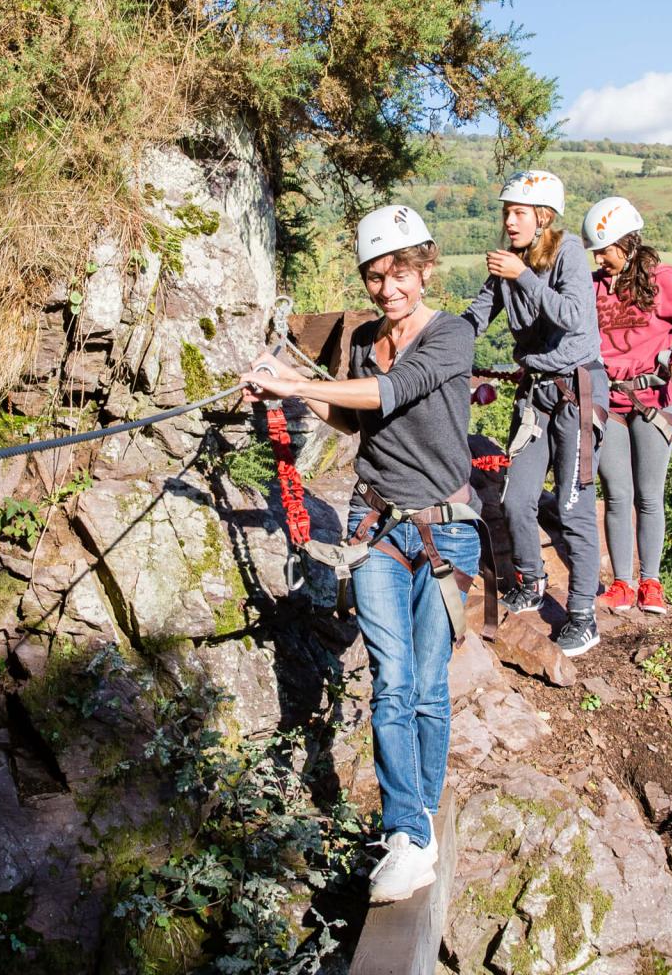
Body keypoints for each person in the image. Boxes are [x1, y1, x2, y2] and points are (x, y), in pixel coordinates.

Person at [243, 205, 479, 904]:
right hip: (375, 523)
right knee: (392, 677)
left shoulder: (452, 336)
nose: (387, 289)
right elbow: (354, 415)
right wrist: (288, 391)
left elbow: (391, 392)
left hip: (445, 530)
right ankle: (407, 831)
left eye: (399, 273)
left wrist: (295, 383)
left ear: (426, 269)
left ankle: (417, 825)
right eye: (375, 277)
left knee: (430, 686)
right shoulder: (363, 342)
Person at [462, 169, 608, 657]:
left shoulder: (565, 254)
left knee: (573, 507)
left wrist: (522, 276)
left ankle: (583, 615)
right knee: (515, 497)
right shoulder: (508, 265)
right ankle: (532, 580)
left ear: (543, 217)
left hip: (577, 392)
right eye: (506, 211)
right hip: (535, 395)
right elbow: (478, 314)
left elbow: (571, 317)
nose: (509, 220)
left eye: (518, 212)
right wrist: (437, 345)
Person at [583, 195, 672, 616]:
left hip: (652, 400)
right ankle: (623, 584)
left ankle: (651, 583)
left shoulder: (664, 281)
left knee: (649, 495)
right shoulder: (591, 288)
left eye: (604, 251)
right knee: (617, 493)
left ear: (626, 244)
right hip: (608, 401)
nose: (600, 259)